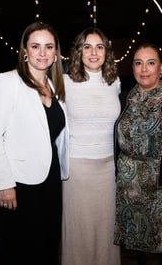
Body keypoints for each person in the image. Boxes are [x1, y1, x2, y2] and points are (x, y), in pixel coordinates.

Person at [0, 22, 69, 265]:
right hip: (18, 183)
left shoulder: (55, 87)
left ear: (55, 53)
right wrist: (4, 184)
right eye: (35, 46)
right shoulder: (7, 82)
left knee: (48, 247)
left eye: (48, 47)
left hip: (50, 179)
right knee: (20, 250)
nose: (42, 53)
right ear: (24, 51)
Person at [114, 42, 162, 265]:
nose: (144, 69)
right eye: (139, 63)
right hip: (128, 191)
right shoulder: (123, 99)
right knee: (139, 251)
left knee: (154, 254)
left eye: (151, 63)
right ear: (133, 68)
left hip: (161, 192)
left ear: (161, 68)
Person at [61, 27, 121, 265]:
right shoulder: (64, 83)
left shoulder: (113, 82)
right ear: (79, 52)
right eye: (87, 47)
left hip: (108, 169)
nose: (93, 52)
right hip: (77, 169)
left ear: (107, 52)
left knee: (106, 231)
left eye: (99, 47)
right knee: (78, 232)